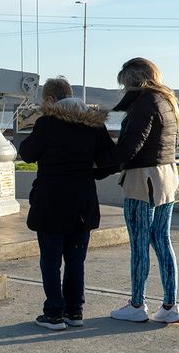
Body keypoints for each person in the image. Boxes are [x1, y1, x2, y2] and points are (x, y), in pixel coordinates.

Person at [19, 77, 116, 331]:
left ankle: (53, 313)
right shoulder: (93, 125)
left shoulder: (47, 123)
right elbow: (111, 160)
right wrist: (88, 172)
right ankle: (75, 311)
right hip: (83, 201)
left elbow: (27, 154)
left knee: (50, 259)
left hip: (51, 200)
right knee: (75, 259)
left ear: (50, 100)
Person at [103, 58, 179, 323]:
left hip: (142, 180)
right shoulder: (167, 101)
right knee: (162, 241)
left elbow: (131, 146)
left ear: (133, 80)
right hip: (167, 177)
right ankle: (170, 307)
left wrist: (101, 163)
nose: (123, 88)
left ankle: (137, 304)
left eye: (124, 82)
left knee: (139, 244)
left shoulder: (143, 103)